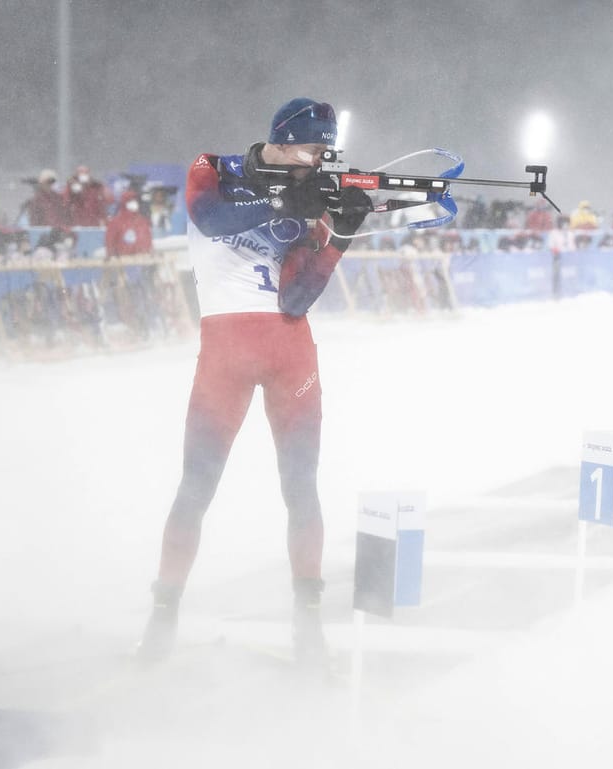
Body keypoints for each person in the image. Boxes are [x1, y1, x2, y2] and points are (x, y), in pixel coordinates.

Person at [138, 97, 370, 667]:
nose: (318, 162)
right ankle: (162, 615)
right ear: (285, 139)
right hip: (226, 353)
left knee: (301, 488)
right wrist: (286, 199)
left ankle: (308, 625)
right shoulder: (213, 169)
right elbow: (210, 219)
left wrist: (339, 233)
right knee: (196, 489)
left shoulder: (311, 194)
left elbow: (297, 296)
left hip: (291, 352)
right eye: (314, 150)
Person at [104, 190, 153, 258]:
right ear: (124, 203)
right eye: (130, 201)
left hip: (143, 261)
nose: (134, 203)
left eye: (135, 200)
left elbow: (148, 241)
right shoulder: (116, 222)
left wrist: (149, 254)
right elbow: (110, 242)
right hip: (122, 262)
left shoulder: (142, 221)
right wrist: (112, 256)